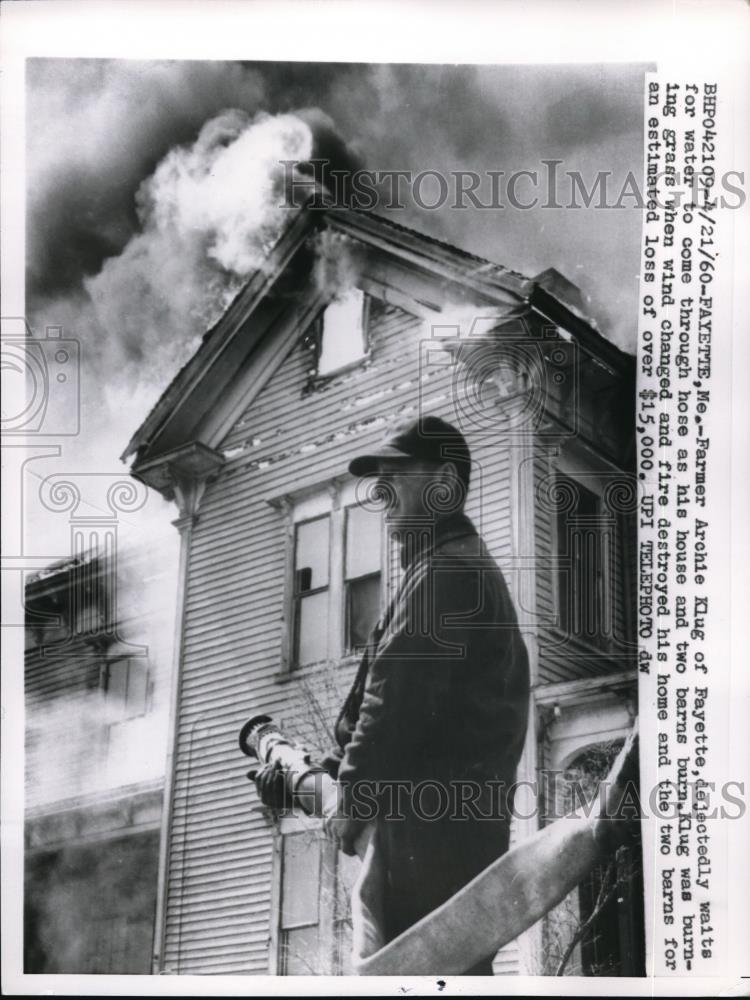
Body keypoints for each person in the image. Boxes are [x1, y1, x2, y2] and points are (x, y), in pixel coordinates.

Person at [256, 415, 530, 975]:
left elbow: (393, 710)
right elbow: (383, 701)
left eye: (398, 475)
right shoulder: (444, 569)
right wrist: (316, 775)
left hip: (424, 846)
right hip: (445, 841)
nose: (382, 491)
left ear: (446, 485)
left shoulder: (447, 574)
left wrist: (349, 802)